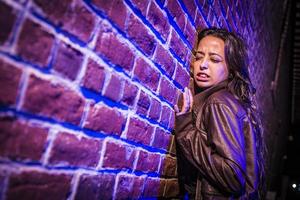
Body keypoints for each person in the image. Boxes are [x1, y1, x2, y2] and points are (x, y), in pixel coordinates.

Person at [174, 27, 266, 200]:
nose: (203, 65)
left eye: (214, 59)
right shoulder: (232, 101)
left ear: (231, 69)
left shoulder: (219, 102)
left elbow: (233, 176)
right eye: (199, 56)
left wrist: (186, 130)